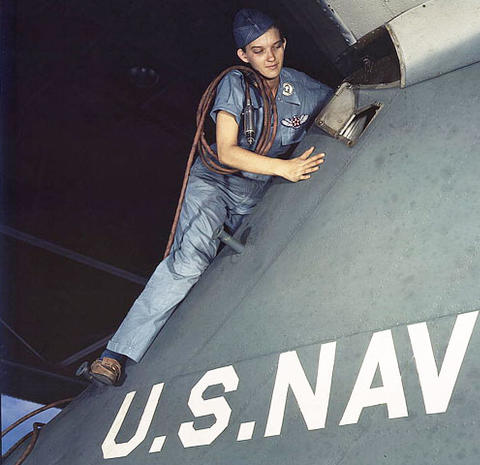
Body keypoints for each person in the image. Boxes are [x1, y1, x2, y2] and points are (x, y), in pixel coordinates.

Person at [89, 9, 332, 385]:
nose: (270, 57)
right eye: (258, 50)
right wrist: (284, 168)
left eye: (276, 46)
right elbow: (228, 151)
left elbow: (346, 102)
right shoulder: (235, 84)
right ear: (243, 55)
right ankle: (115, 355)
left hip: (257, 191)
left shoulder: (302, 88)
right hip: (216, 183)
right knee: (190, 262)